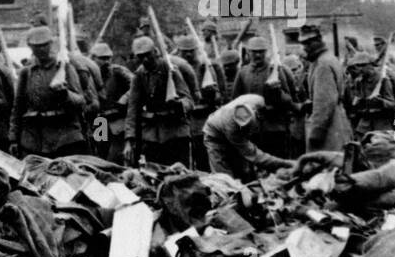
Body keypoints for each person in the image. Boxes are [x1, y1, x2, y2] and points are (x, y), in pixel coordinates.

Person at [9, 26, 87, 157]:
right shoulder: (26, 73)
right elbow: (18, 108)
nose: (41, 49)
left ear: (51, 44)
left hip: (64, 137)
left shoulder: (65, 67)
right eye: (36, 46)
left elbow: (81, 101)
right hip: (34, 139)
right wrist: (13, 138)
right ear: (30, 47)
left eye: (44, 45)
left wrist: (65, 94)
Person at [123, 35, 193, 166]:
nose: (145, 59)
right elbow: (132, 109)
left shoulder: (170, 69)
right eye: (140, 56)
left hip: (175, 132)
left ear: (155, 51)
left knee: (180, 176)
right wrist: (129, 140)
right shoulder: (139, 75)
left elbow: (189, 101)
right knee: (155, 175)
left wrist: (178, 104)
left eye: (148, 54)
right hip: (152, 136)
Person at [202, 94, 296, 180]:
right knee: (224, 179)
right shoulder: (232, 128)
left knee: (244, 173)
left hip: (232, 132)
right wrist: (285, 163)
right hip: (215, 137)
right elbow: (253, 155)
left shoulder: (257, 101)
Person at [232, 35, 298, 157]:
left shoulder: (275, 70)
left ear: (266, 52)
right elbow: (235, 101)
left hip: (275, 128)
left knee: (277, 165)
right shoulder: (243, 72)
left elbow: (289, 100)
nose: (257, 55)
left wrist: (277, 92)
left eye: (261, 52)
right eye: (254, 52)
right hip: (251, 129)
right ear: (248, 52)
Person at [301, 23, 351, 152]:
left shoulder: (322, 64)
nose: (305, 48)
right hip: (336, 120)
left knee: (325, 166)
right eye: (304, 44)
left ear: (318, 41)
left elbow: (325, 103)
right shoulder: (329, 59)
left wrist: (316, 132)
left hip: (328, 127)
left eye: (309, 43)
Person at [176, 33, 223, 168]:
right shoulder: (176, 67)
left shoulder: (205, 67)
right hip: (183, 118)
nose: (189, 55)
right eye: (185, 52)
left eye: (191, 51)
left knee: (203, 157)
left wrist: (211, 91)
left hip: (203, 118)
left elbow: (218, 96)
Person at [90, 41, 133, 162]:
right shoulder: (89, 75)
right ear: (93, 58)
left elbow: (137, 86)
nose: (107, 61)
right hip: (100, 122)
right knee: (101, 155)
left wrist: (125, 98)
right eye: (102, 58)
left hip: (118, 121)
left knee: (117, 157)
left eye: (108, 58)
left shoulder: (118, 72)